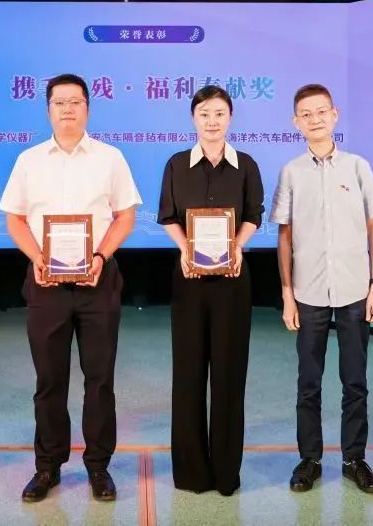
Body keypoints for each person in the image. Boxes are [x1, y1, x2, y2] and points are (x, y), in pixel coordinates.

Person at [0, 73, 141, 503]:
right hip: (46, 283)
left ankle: (98, 466)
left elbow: (125, 216)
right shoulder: (29, 160)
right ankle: (48, 466)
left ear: (87, 108)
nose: (67, 110)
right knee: (49, 380)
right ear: (48, 110)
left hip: (98, 280)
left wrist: (99, 256)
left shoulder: (110, 158)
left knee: (99, 379)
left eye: (75, 102)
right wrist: (37, 258)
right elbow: (15, 219)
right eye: (59, 103)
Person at [269, 83, 373, 495]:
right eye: (306, 114)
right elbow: (284, 236)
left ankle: (355, 459)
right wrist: (287, 293)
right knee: (309, 382)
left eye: (322, 111)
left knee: (355, 381)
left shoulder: (358, 167)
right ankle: (310, 459)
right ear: (295, 122)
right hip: (309, 291)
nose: (315, 119)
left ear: (334, 115)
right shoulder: (291, 172)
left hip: (355, 289)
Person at [158, 85, 264, 496]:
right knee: (187, 375)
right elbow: (168, 216)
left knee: (229, 374)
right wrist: (185, 248)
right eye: (204, 114)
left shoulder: (246, 165)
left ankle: (225, 473)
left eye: (219, 113)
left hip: (233, 280)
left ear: (230, 118)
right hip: (188, 278)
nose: (212, 121)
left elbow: (253, 214)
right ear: (193, 119)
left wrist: (237, 246)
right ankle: (191, 473)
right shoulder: (176, 164)